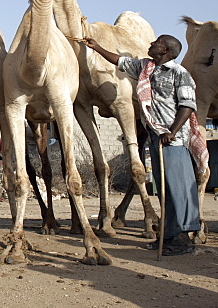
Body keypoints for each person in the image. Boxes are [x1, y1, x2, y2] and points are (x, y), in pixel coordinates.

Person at [83, 34, 208, 256]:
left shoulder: (180, 74)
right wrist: (97, 47)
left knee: (179, 188)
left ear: (166, 50)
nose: (151, 44)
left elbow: (187, 106)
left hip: (174, 141)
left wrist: (173, 131)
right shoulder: (146, 68)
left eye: (157, 43)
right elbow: (120, 61)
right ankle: (168, 236)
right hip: (156, 138)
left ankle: (183, 237)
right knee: (164, 189)